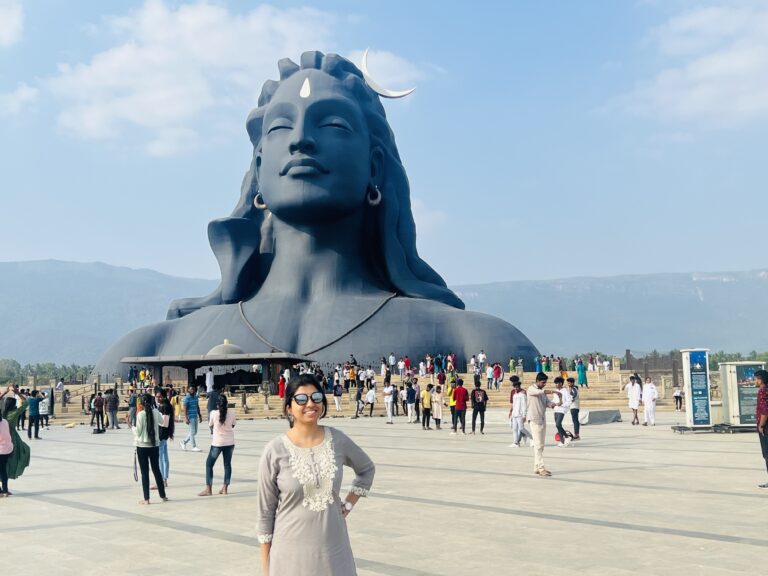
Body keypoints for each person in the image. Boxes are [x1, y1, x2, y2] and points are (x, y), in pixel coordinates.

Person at [257, 374, 375, 575]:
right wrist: (266, 569)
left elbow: (366, 469)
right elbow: (265, 514)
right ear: (288, 407)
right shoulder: (275, 450)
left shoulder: (337, 440)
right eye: (301, 399)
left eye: (316, 397)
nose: (310, 404)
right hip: (290, 554)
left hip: (334, 551)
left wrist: (347, 504)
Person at [132, 393, 168, 505]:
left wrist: (131, 427)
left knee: (144, 473)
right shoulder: (156, 412)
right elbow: (163, 423)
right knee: (156, 470)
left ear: (141, 403)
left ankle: (146, 499)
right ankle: (163, 496)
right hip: (154, 446)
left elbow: (138, 432)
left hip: (142, 446)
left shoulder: (140, 415)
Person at [200, 394, 236, 496]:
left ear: (217, 404)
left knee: (209, 464)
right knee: (227, 465)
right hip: (230, 442)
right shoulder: (232, 413)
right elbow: (233, 425)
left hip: (217, 443)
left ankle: (208, 489)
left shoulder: (213, 413)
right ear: (227, 403)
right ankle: (225, 488)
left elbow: (210, 425)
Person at [527, 372, 559, 477]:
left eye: (545, 382)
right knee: (538, 445)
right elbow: (540, 392)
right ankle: (541, 468)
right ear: (537, 381)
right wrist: (553, 391)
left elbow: (547, 402)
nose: (544, 384)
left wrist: (553, 404)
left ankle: (536, 466)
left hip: (542, 418)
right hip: (534, 419)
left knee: (540, 445)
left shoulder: (542, 392)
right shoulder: (531, 389)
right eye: (542, 382)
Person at [155, 388, 174, 490]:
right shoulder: (164, 406)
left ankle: (162, 480)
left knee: (161, 458)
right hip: (163, 434)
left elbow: (164, 423)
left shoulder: (164, 407)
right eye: (157, 397)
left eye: (159, 397)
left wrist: (155, 420)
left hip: (161, 435)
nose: (158, 398)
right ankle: (164, 479)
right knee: (164, 457)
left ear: (163, 396)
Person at [508, 379, 532, 447]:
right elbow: (513, 404)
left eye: (517, 387)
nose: (516, 388)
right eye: (515, 387)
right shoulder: (514, 395)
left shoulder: (523, 394)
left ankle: (531, 437)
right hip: (514, 414)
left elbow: (524, 405)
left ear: (519, 387)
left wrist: (524, 415)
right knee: (514, 429)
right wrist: (511, 412)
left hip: (520, 414)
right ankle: (516, 443)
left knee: (521, 428)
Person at [754, 370, 768, 488]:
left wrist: (761, 425)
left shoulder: (762, 391)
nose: (755, 381)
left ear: (761, 380)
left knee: (767, 453)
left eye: (756, 379)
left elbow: (764, 410)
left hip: (766, 427)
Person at [180, 386, 202, 451]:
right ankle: (193, 446)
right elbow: (184, 409)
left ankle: (183, 442)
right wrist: (186, 418)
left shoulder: (196, 397)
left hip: (195, 416)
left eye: (193, 389)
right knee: (192, 432)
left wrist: (200, 415)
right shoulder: (186, 398)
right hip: (190, 417)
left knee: (195, 432)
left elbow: (197, 407)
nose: (192, 390)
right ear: (188, 390)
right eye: (191, 389)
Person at [552, 377, 572, 446]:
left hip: (562, 410)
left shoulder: (565, 391)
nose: (556, 384)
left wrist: (562, 404)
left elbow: (569, 402)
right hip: (556, 410)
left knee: (558, 424)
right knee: (558, 426)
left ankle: (566, 436)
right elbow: (554, 400)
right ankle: (562, 441)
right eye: (556, 383)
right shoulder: (555, 391)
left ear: (561, 383)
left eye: (558, 383)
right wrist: (552, 404)